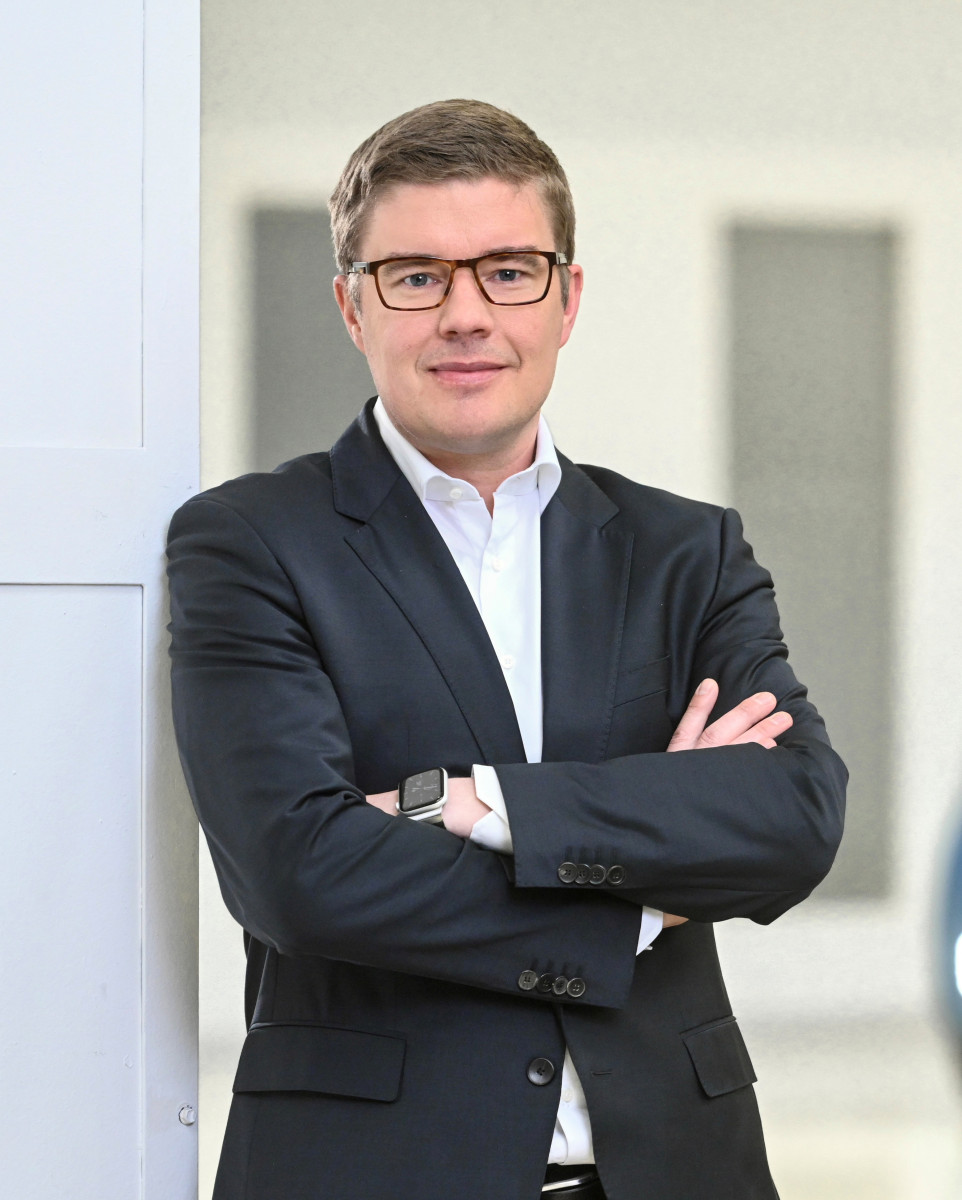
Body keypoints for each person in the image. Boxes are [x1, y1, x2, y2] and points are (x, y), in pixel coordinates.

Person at [166, 98, 846, 1200]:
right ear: (351, 305)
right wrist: (642, 889)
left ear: (566, 299)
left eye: (508, 272)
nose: (466, 315)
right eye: (416, 276)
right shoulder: (249, 542)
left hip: (679, 1169)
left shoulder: (686, 551)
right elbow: (299, 873)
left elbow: (792, 816)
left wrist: (477, 803)